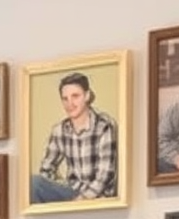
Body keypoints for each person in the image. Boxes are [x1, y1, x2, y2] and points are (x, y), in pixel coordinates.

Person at [30, 71, 118, 203]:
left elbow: (105, 176)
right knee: (34, 183)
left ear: (87, 95)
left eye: (75, 96)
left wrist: (82, 199)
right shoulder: (59, 130)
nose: (69, 103)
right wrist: (62, 187)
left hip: (99, 197)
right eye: (65, 99)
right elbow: (46, 169)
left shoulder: (104, 126)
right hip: (71, 193)